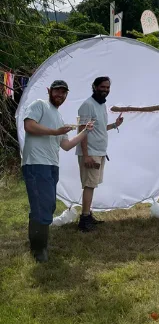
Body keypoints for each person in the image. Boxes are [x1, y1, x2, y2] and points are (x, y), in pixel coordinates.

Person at [22, 80, 94, 262]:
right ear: (49, 91)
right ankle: (39, 251)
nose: (60, 95)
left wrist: (85, 131)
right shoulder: (39, 105)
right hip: (36, 163)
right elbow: (29, 126)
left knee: (46, 205)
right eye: (57, 91)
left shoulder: (59, 117)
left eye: (63, 93)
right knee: (43, 205)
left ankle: (38, 243)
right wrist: (55, 132)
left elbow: (67, 145)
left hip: (51, 165)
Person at [75, 76, 124, 232]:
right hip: (90, 152)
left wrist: (115, 125)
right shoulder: (87, 105)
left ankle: (88, 214)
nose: (105, 90)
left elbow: (99, 129)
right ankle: (84, 220)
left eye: (108, 87)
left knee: (92, 185)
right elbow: (81, 131)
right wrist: (86, 154)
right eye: (102, 87)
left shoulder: (101, 105)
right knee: (89, 185)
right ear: (94, 87)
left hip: (100, 152)